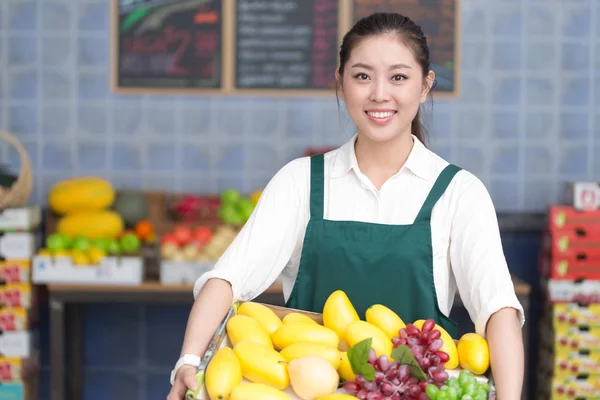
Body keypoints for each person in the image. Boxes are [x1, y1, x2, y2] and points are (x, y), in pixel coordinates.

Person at [167, 12, 525, 400]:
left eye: (399, 77)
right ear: (340, 84)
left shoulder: (459, 193)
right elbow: (227, 280)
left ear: (425, 86)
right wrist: (188, 361)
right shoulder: (301, 181)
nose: (379, 94)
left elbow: (498, 310)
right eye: (362, 76)